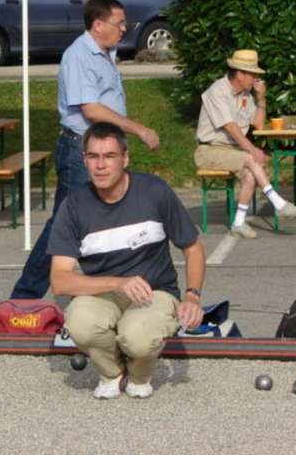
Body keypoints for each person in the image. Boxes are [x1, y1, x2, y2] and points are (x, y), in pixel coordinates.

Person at [10, 0, 159, 300]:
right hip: (81, 152)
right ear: (98, 24)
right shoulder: (78, 55)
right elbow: (92, 110)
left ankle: (111, 291)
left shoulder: (105, 52)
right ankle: (22, 301)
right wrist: (139, 129)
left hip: (99, 149)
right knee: (63, 227)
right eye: (119, 23)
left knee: (105, 219)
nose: (125, 29)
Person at [50, 122, 205, 400]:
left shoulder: (154, 191)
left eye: (109, 156)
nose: (100, 165)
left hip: (154, 291)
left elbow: (192, 248)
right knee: (80, 322)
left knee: (138, 335)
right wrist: (117, 283)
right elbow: (60, 281)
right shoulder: (73, 206)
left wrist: (192, 296)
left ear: (125, 158)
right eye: (93, 157)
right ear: (84, 159)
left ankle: (139, 375)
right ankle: (111, 373)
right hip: (103, 292)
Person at [194, 49, 296, 238]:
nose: (255, 78)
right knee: (251, 158)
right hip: (209, 150)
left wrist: (261, 99)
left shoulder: (246, 95)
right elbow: (230, 127)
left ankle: (238, 223)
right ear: (240, 74)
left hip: (232, 152)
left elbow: (258, 124)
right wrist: (251, 149)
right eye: (252, 74)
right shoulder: (217, 91)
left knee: (251, 176)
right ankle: (279, 204)